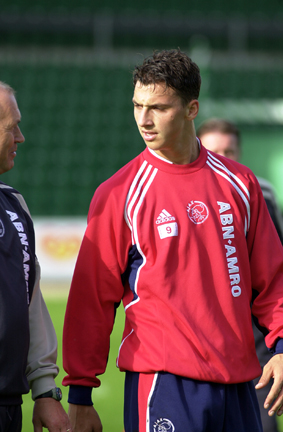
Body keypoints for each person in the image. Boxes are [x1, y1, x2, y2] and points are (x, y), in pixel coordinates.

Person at [63, 49, 283, 432]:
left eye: (158, 108)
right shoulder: (120, 194)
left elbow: (273, 279)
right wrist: (81, 393)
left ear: (191, 109)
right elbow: (91, 299)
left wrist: (281, 346)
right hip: (164, 384)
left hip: (240, 386)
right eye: (137, 106)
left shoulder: (240, 184)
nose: (144, 120)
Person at [197, 117, 283, 432]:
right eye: (215, 150)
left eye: (230, 151)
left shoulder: (261, 191)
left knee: (261, 419)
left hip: (256, 328)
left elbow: (276, 265)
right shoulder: (184, 197)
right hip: (204, 330)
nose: (223, 158)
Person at [0, 81, 72, 432]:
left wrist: (45, 390)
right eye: (12, 127)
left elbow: (30, 299)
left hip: (9, 403)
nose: (21, 137)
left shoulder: (14, 204)